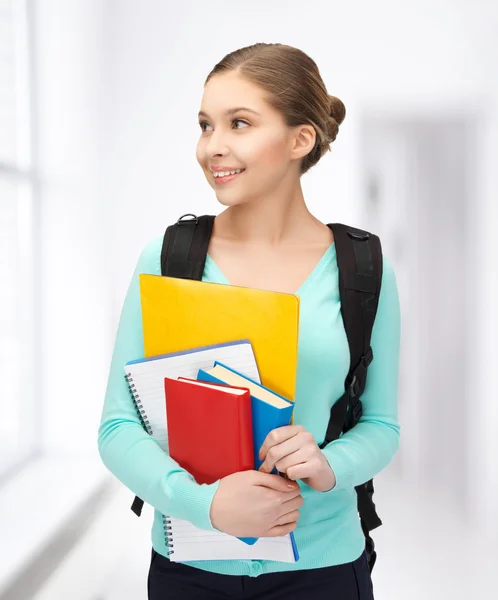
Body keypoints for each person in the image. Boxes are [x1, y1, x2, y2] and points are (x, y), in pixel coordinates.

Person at [98, 42, 401, 599]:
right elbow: (118, 428)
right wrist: (205, 504)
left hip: (325, 569)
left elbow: (381, 425)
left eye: (239, 123)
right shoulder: (168, 260)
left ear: (300, 139)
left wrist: (328, 463)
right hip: (190, 569)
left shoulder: (363, 267)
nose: (214, 146)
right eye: (205, 125)